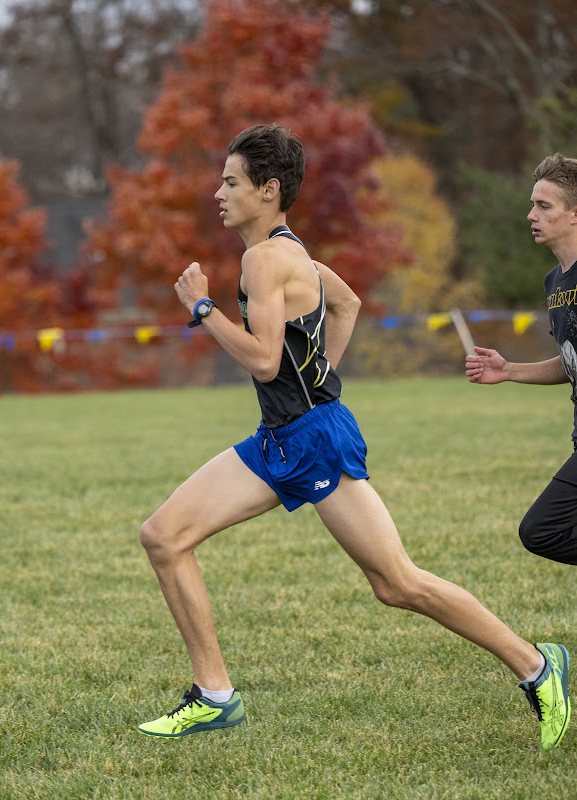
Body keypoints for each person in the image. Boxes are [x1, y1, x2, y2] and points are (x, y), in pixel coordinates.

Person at [138, 125, 570, 748]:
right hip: (281, 437)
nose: (218, 193)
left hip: (314, 441)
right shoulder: (293, 254)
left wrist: (204, 310)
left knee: (398, 583)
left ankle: (536, 665)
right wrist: (320, 380)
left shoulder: (264, 259)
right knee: (164, 536)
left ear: (269, 189)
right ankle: (215, 696)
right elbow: (347, 304)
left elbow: (263, 361)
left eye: (230, 182)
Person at [466, 153, 577, 567]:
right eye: (533, 204)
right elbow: (571, 361)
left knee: (543, 529)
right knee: (543, 531)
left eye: (544, 206)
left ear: (574, 214)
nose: (531, 215)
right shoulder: (555, 282)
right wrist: (509, 370)